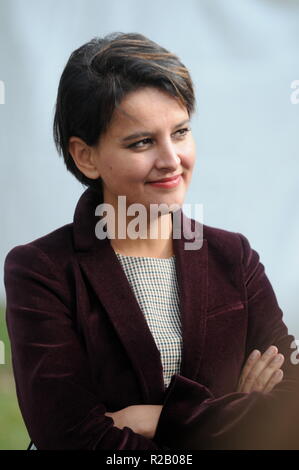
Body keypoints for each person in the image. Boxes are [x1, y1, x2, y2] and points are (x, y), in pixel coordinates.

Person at [4, 33, 299, 450]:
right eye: (142, 142)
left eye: (180, 132)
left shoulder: (234, 258)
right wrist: (234, 415)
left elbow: (291, 414)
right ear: (85, 156)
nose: (171, 159)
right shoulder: (41, 271)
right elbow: (73, 440)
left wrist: (159, 418)